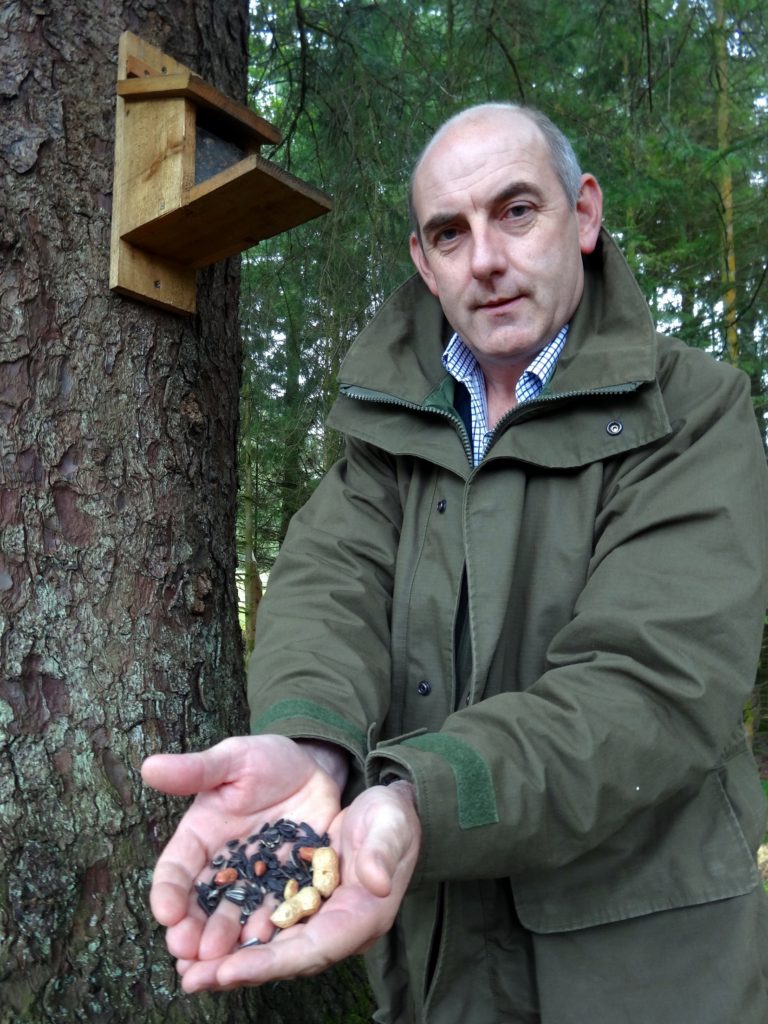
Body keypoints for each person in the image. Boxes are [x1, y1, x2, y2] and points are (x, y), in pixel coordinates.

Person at [142, 103, 768, 1023]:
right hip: (433, 960)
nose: (484, 258)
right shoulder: (389, 426)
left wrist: (419, 800)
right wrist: (310, 745)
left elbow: (648, 683)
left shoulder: (695, 412)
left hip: (647, 961)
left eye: (517, 211)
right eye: (450, 231)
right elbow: (328, 588)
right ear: (423, 263)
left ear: (584, 215)